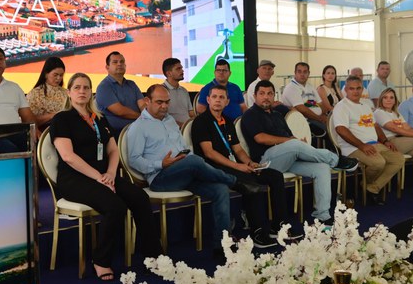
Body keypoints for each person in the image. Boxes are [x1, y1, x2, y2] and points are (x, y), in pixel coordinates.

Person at [127, 84, 260, 260]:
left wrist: (183, 157)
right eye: (159, 102)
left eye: (167, 102)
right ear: (147, 101)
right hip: (160, 178)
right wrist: (161, 163)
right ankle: (235, 182)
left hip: (184, 171)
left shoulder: (169, 121)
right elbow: (134, 160)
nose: (165, 106)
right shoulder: (139, 127)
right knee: (196, 160)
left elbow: (183, 148)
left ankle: (221, 246)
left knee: (219, 189)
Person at [51, 73, 160, 280]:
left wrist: (110, 173)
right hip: (75, 179)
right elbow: (68, 156)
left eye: (86, 88)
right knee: (115, 206)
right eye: (77, 88)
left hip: (103, 176)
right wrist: (100, 177)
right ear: (69, 93)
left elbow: (113, 150)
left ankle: (153, 256)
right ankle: (101, 260)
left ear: (91, 92)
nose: (82, 91)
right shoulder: (62, 119)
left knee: (139, 197)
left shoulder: (99, 119)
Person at [192, 85, 299, 247]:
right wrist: (238, 166)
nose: (218, 101)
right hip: (212, 168)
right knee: (250, 184)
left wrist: (249, 162)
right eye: (214, 97)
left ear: (227, 101)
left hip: (233, 165)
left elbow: (237, 149)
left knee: (274, 176)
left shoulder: (227, 121)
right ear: (208, 99)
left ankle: (279, 226)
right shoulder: (201, 121)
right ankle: (257, 233)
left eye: (222, 98)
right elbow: (209, 153)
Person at [242, 80, 358, 224]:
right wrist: (291, 142)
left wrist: (297, 142)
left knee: (322, 168)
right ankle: (335, 159)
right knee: (295, 145)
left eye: (270, 93)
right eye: (262, 94)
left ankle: (322, 216)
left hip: (287, 157)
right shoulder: (250, 114)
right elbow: (261, 138)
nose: (266, 97)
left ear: (274, 96)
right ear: (255, 95)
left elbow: (289, 137)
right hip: (266, 162)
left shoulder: (277, 115)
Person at [332, 75, 405, 205]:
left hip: (375, 144)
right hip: (353, 147)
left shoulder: (365, 105)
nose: (355, 91)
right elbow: (341, 130)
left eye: (358, 88)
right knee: (378, 163)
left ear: (362, 89)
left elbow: (375, 125)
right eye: (352, 88)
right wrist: (361, 146)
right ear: (346, 90)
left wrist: (385, 141)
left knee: (398, 159)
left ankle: (370, 188)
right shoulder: (341, 106)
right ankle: (369, 187)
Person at [95, 51, 145, 136]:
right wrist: (143, 117)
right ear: (107, 67)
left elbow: (142, 104)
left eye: (122, 62)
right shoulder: (104, 87)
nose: (119, 64)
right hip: (117, 135)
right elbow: (120, 111)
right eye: (115, 62)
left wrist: (147, 114)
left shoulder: (132, 84)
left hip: (140, 129)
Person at [280, 62, 327, 137]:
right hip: (304, 121)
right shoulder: (291, 88)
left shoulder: (310, 86)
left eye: (305, 72)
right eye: (299, 71)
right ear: (295, 73)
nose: (302, 74)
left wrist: (324, 114)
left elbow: (320, 103)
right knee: (329, 131)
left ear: (309, 73)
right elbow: (302, 109)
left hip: (317, 118)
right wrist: (319, 118)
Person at [27, 56, 67, 134]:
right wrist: (53, 115)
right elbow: (29, 121)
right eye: (55, 75)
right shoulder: (34, 94)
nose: (58, 78)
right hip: (44, 134)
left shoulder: (67, 93)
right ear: (46, 74)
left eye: (61, 75)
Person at [161, 57, 194, 126]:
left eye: (181, 68)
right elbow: (161, 116)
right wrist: (182, 126)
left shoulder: (184, 91)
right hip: (171, 130)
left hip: (187, 129)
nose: (182, 71)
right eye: (178, 69)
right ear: (169, 73)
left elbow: (191, 113)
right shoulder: (161, 91)